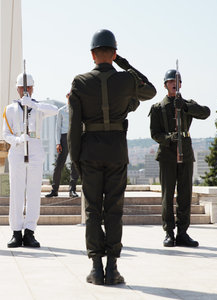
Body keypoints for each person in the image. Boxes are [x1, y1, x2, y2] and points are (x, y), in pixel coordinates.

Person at [68, 29, 156, 285]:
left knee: (93, 211)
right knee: (114, 210)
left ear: (93, 55)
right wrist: (124, 65)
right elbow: (149, 90)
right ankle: (112, 268)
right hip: (117, 152)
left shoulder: (80, 82)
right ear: (114, 53)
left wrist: (76, 161)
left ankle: (96, 268)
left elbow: (74, 127)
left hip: (90, 153)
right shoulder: (127, 80)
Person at [149, 69, 210, 248]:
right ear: (165, 85)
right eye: (170, 82)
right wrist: (168, 139)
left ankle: (182, 232)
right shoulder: (158, 108)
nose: (174, 84)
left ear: (181, 84)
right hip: (167, 154)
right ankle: (169, 232)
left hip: (186, 153)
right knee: (168, 195)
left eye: (176, 82)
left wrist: (184, 106)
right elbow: (155, 133)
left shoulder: (186, 104)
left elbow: (205, 112)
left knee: (185, 195)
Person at [3, 72, 58, 248]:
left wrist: (33, 104)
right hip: (18, 148)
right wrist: (17, 140)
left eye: (29, 88)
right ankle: (16, 232)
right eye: (23, 88)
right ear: (18, 89)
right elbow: (5, 134)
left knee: (33, 193)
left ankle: (30, 232)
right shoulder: (10, 109)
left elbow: (54, 110)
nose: (26, 90)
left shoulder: (38, 107)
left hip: (34, 147)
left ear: (33, 89)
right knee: (17, 192)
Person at [45, 92, 79, 198]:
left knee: (75, 165)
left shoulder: (78, 110)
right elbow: (57, 128)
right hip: (64, 138)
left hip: (75, 137)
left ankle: (72, 190)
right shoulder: (61, 111)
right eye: (69, 96)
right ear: (67, 97)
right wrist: (57, 143)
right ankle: (54, 190)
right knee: (59, 164)